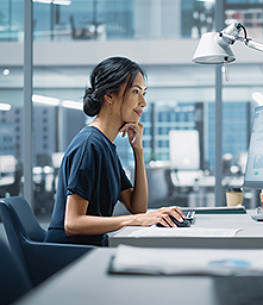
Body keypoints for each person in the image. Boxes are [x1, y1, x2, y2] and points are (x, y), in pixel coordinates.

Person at [45, 56, 184, 246]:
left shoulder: (106, 146)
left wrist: (138, 151)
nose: (143, 103)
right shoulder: (88, 145)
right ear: (109, 95)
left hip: (92, 248)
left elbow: (138, 207)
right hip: (69, 254)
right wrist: (134, 220)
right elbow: (73, 223)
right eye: (136, 92)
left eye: (144, 93)